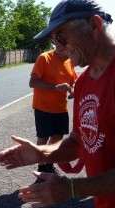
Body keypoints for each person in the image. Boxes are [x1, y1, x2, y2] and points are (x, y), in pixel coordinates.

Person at [0, 0, 115, 208]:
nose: (57, 46)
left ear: (95, 25)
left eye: (61, 37)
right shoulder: (84, 82)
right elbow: (78, 142)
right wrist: (41, 152)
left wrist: (72, 189)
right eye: (54, 39)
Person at [29, 40, 78, 180]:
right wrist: (56, 87)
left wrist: (72, 90)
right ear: (59, 45)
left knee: (58, 139)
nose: (69, 51)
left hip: (61, 108)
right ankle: (41, 169)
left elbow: (73, 81)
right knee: (43, 138)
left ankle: (49, 166)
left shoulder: (69, 62)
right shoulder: (45, 58)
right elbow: (33, 82)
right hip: (43, 107)